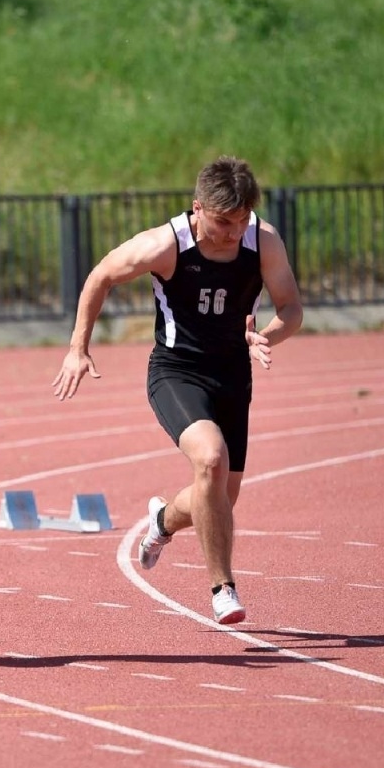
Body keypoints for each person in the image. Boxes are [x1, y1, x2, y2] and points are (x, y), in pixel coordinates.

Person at [53, 156, 301, 625]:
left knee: (220, 498)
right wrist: (77, 348)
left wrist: (266, 336)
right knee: (210, 459)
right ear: (197, 208)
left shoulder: (263, 241)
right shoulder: (166, 245)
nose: (233, 232)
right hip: (177, 371)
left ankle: (162, 520)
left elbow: (290, 307)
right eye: (223, 222)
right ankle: (222, 588)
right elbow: (100, 275)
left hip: (232, 375)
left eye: (241, 221)